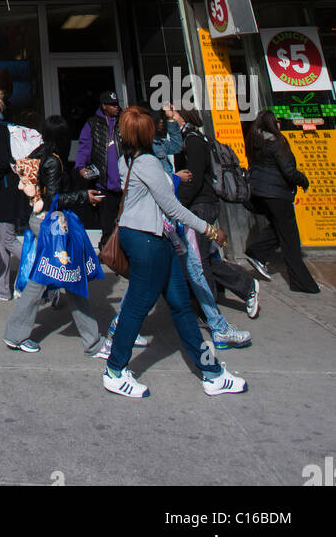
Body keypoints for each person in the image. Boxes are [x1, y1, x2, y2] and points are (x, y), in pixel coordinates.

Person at [103, 106, 247, 399]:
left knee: (181, 307)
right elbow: (172, 207)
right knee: (137, 307)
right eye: (152, 126)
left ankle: (213, 372)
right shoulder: (147, 164)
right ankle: (115, 371)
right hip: (147, 241)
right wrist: (209, 230)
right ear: (145, 133)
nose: (157, 128)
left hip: (156, 239)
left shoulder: (129, 161)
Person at [4, 116, 108, 355]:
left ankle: (16, 333)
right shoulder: (53, 162)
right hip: (51, 224)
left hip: (46, 223)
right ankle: (92, 341)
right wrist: (85, 196)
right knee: (68, 276)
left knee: (49, 277)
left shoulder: (44, 155)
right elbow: (53, 199)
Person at [171, 105, 259, 320]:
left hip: (202, 205)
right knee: (204, 257)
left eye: (172, 115)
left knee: (199, 261)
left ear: (182, 117)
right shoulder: (189, 139)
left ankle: (208, 313)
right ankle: (246, 286)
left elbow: (196, 177)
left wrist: (179, 203)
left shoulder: (192, 141)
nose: (169, 120)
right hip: (199, 205)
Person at [244, 109, 319, 294]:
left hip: (259, 193)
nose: (279, 124)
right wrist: (303, 180)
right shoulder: (277, 142)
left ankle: (257, 252)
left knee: (279, 229)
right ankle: (301, 281)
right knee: (290, 239)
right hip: (277, 194)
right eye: (276, 121)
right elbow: (288, 170)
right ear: (272, 124)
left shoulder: (255, 142)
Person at [0, 92, 31, 300]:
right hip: (5, 188)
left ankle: (44, 276)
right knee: (2, 238)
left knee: (7, 237)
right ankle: (1, 288)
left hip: (5, 189)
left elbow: (0, 161)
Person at [76, 92, 123, 247]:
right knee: (107, 222)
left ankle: (123, 253)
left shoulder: (124, 121)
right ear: (104, 106)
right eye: (112, 104)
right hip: (104, 181)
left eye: (117, 104)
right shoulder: (93, 124)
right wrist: (81, 166)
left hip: (124, 181)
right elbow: (84, 146)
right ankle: (108, 251)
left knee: (126, 221)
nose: (116, 107)